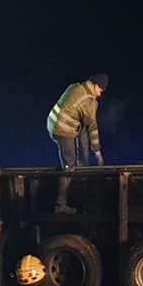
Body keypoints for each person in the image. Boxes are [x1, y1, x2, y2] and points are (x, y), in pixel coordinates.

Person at [46, 73, 108, 213]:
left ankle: (82, 166)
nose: (99, 94)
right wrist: (98, 154)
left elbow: (83, 126)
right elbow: (93, 128)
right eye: (100, 91)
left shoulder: (75, 87)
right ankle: (60, 205)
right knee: (69, 166)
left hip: (52, 122)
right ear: (96, 85)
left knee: (82, 128)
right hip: (63, 129)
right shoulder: (90, 101)